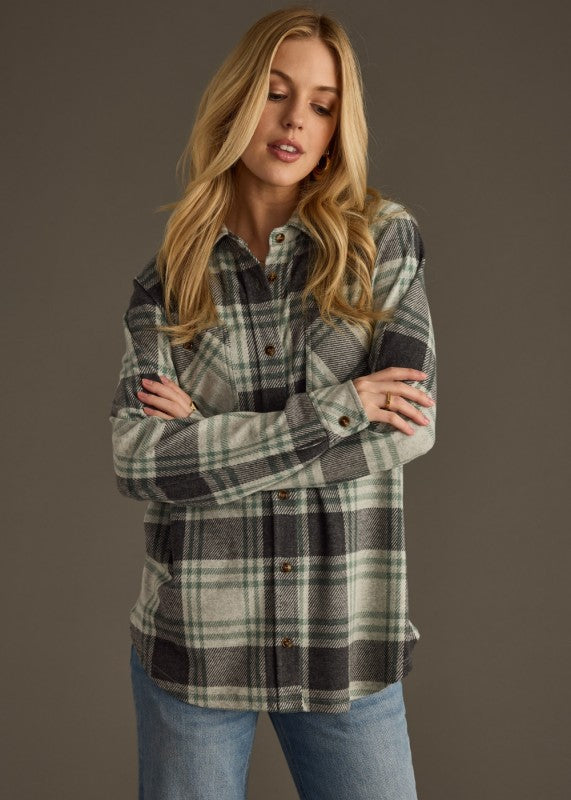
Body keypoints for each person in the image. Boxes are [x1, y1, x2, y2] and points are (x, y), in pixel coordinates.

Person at [109, 5, 437, 799]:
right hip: (196, 643)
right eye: (276, 93)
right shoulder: (168, 280)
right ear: (235, 101)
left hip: (342, 643)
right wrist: (339, 407)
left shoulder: (381, 242)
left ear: (335, 128)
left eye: (321, 105)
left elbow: (407, 430)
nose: (295, 121)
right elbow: (138, 460)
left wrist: (208, 442)